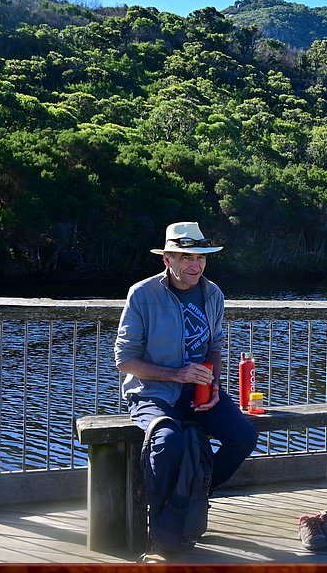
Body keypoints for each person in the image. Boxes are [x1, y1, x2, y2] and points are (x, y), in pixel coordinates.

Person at [114, 221, 258, 556]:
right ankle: (162, 531)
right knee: (168, 441)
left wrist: (215, 385)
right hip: (152, 393)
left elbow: (215, 347)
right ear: (167, 259)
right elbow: (124, 360)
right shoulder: (142, 294)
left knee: (243, 437)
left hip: (201, 393)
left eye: (201, 257)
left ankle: (194, 495)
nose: (195, 264)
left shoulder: (213, 294)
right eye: (185, 257)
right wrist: (177, 375)